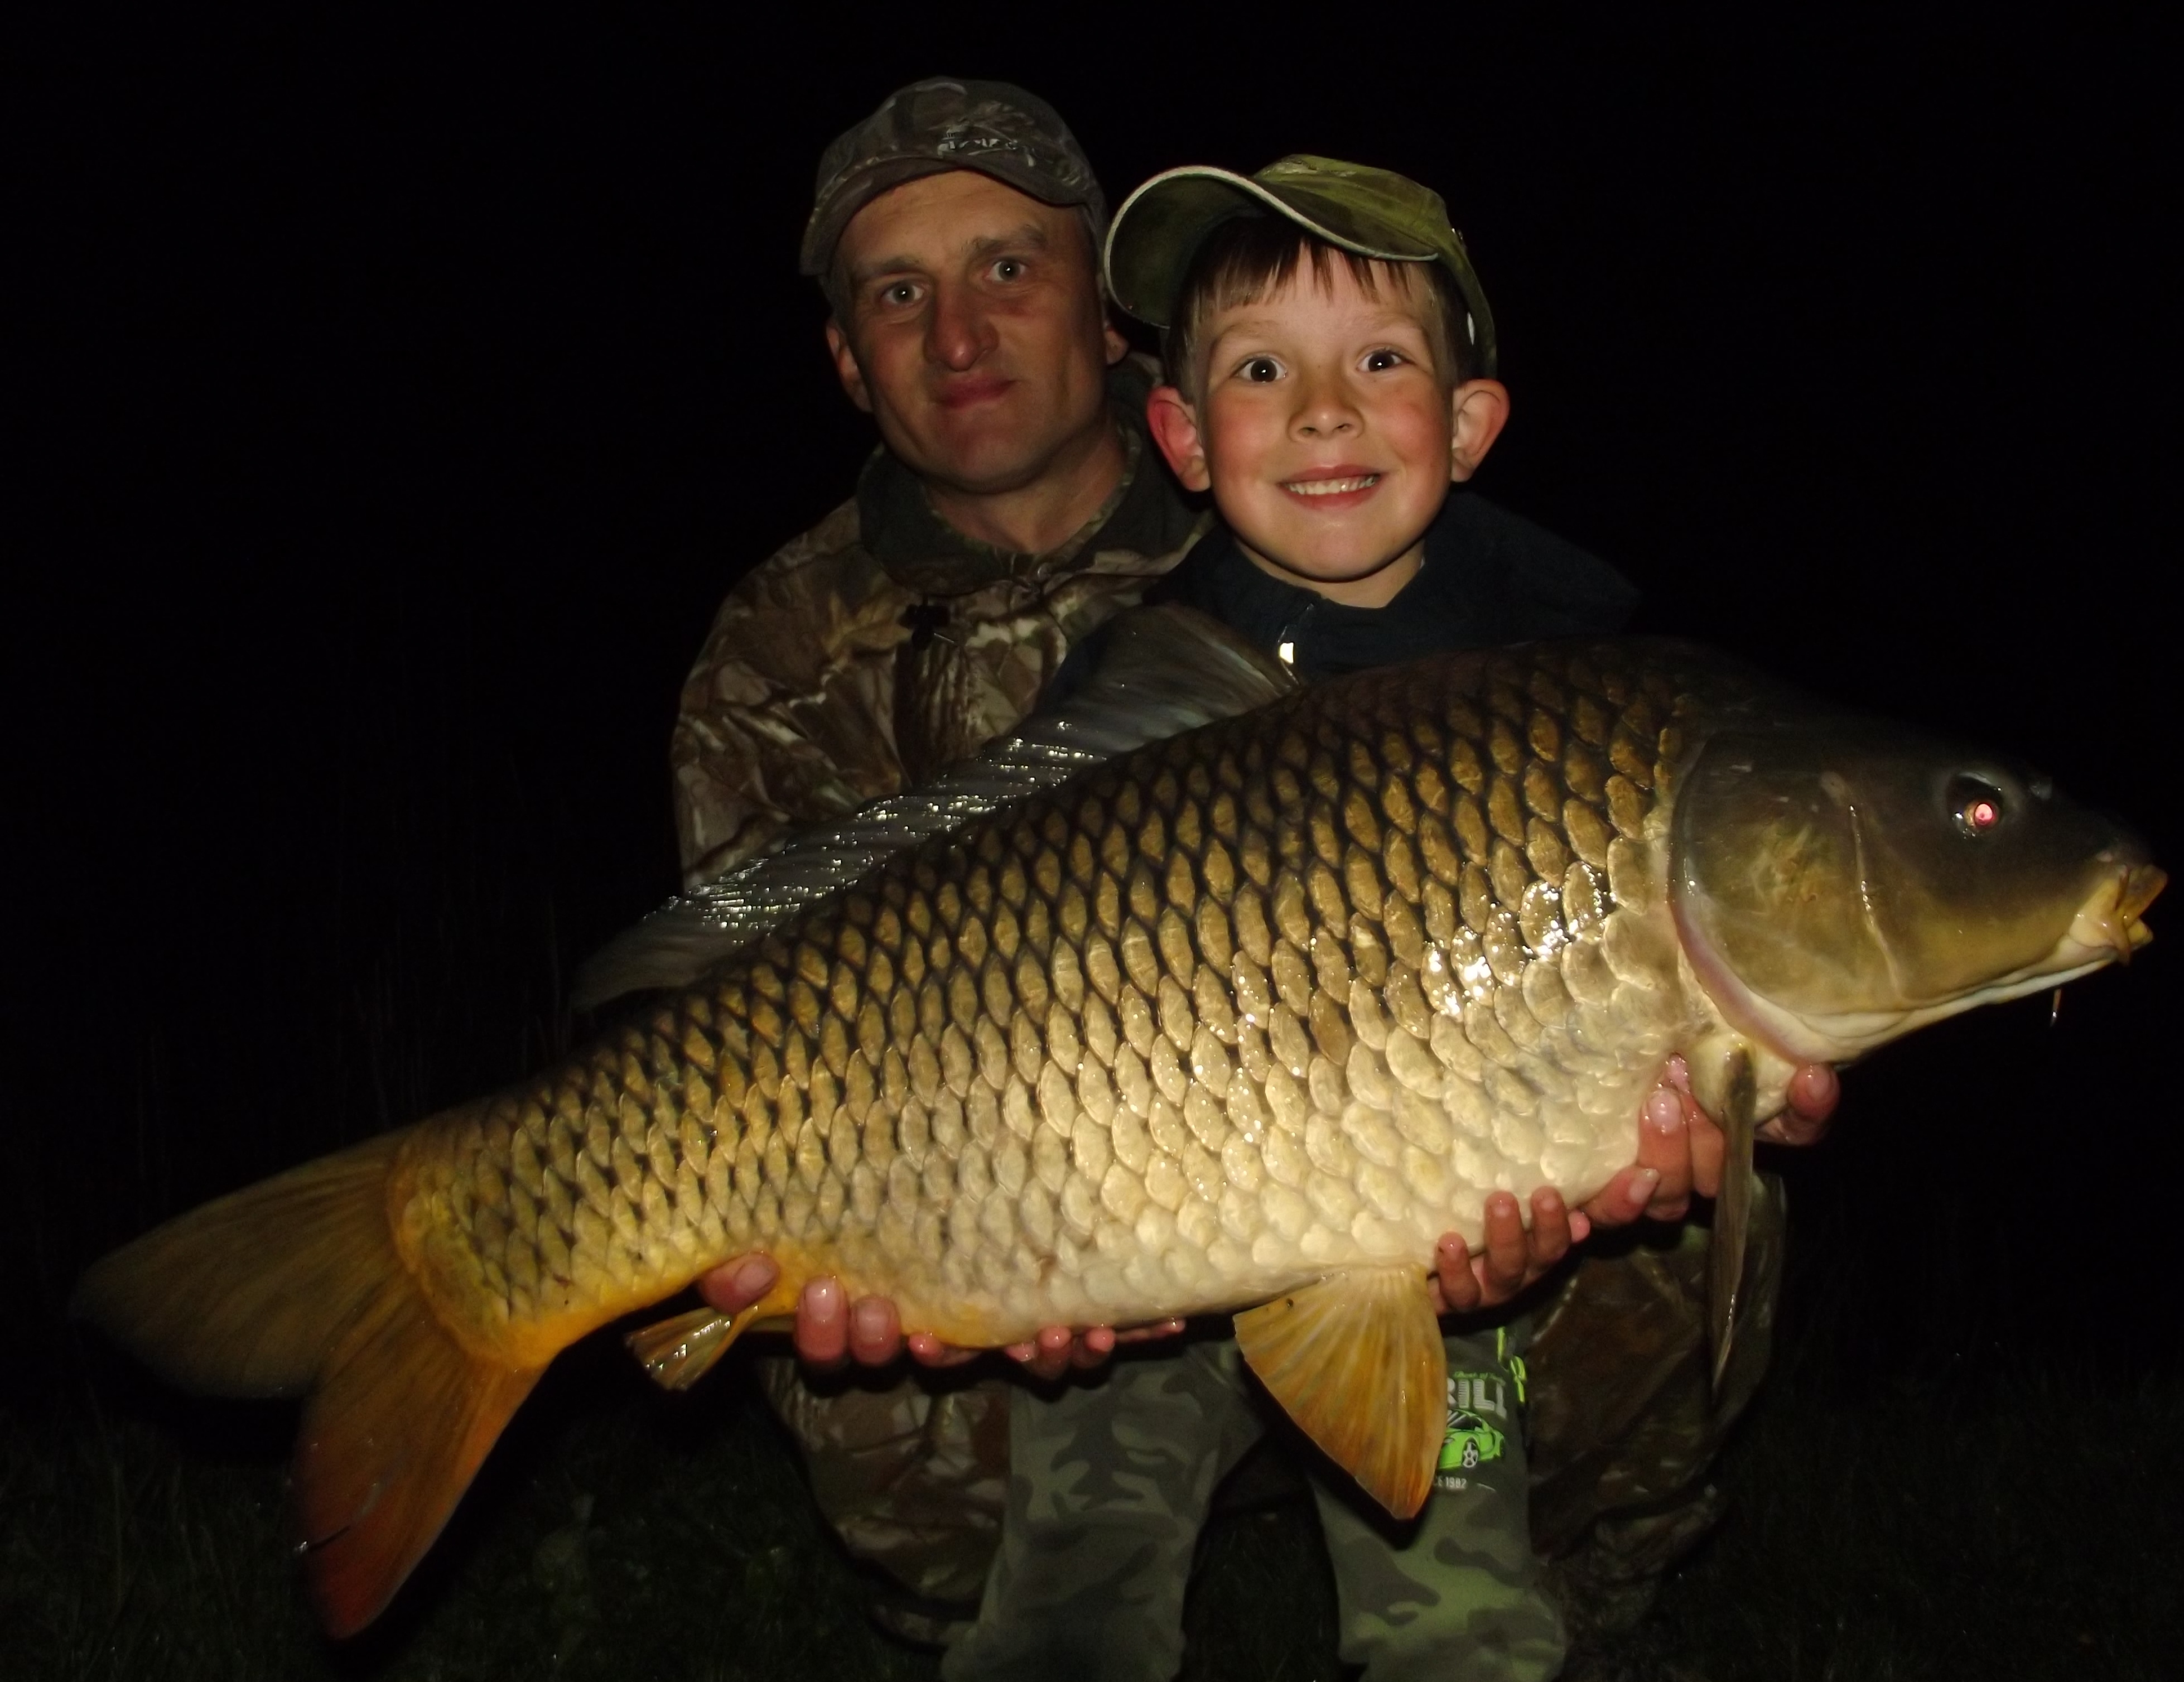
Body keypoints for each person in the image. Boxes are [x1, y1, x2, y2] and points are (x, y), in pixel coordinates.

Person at [667, 81, 1836, 1659]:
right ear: (843, 355)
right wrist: (941, 1259)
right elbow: (750, 996)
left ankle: (1582, 1556)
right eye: (897, 292)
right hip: (1026, 1172)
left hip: (1373, 1184)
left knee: (1698, 1190)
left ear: (1108, 325)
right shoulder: (773, 649)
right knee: (956, 1474)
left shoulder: (1379, 546)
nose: (956, 333)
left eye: (1007, 267)